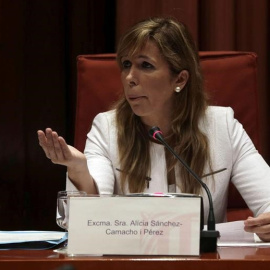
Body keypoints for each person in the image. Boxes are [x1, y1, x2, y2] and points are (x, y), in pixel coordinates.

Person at [37, 17, 270, 241]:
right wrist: (79, 170)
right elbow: (91, 222)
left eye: (145, 65)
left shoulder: (223, 126)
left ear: (180, 79)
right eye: (126, 65)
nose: (129, 77)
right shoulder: (107, 128)